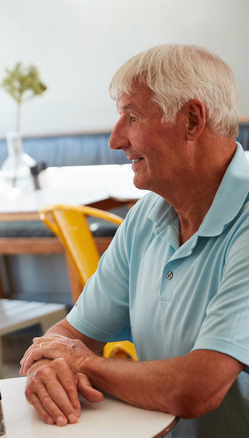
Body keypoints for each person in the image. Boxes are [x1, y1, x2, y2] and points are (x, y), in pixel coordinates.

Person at [19, 44, 249, 437]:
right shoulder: (147, 215)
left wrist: (83, 364)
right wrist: (45, 368)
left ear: (192, 120)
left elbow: (197, 389)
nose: (115, 140)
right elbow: (68, 335)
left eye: (132, 116)